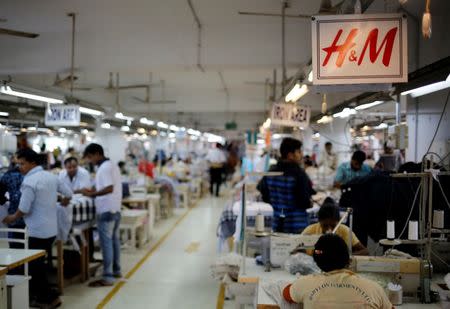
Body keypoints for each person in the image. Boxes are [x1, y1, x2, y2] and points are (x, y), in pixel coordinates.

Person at [3, 148, 72, 308]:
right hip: (51, 231)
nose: (20, 167)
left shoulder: (29, 182)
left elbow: (24, 208)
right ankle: (44, 296)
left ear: (32, 163)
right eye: (18, 163)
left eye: (22, 163)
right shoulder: (51, 176)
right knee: (40, 265)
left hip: (36, 231)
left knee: (35, 267)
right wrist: (64, 201)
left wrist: (11, 218)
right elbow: (68, 193)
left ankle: (48, 299)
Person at [283, 234, 393, 308]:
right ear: (347, 259)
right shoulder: (374, 289)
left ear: (316, 262)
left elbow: (286, 294)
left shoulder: (304, 284)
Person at [81, 143, 122, 287]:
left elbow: (109, 188)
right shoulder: (111, 165)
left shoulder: (104, 168)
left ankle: (108, 276)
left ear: (97, 154)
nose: (90, 161)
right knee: (114, 241)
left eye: (90, 157)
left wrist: (92, 194)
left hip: (106, 209)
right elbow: (107, 185)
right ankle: (116, 270)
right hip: (115, 208)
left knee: (106, 244)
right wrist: (92, 189)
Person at [257, 138, 315, 233]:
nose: (301, 155)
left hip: (278, 224)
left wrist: (278, 205)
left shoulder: (271, 172)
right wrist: (310, 203)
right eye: (299, 152)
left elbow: (264, 196)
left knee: (279, 247)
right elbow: (304, 201)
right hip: (297, 225)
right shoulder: (299, 174)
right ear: (290, 155)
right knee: (297, 248)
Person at [301, 200, 368, 255]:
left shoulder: (345, 231)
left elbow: (365, 251)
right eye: (325, 226)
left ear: (338, 222)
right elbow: (296, 249)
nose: (329, 229)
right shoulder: (310, 230)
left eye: (333, 226)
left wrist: (347, 257)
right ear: (319, 221)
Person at [0, 158, 25, 248]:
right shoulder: (30, 176)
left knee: (15, 246)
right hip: (31, 219)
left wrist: (6, 200)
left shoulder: (6, 176)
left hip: (14, 217)